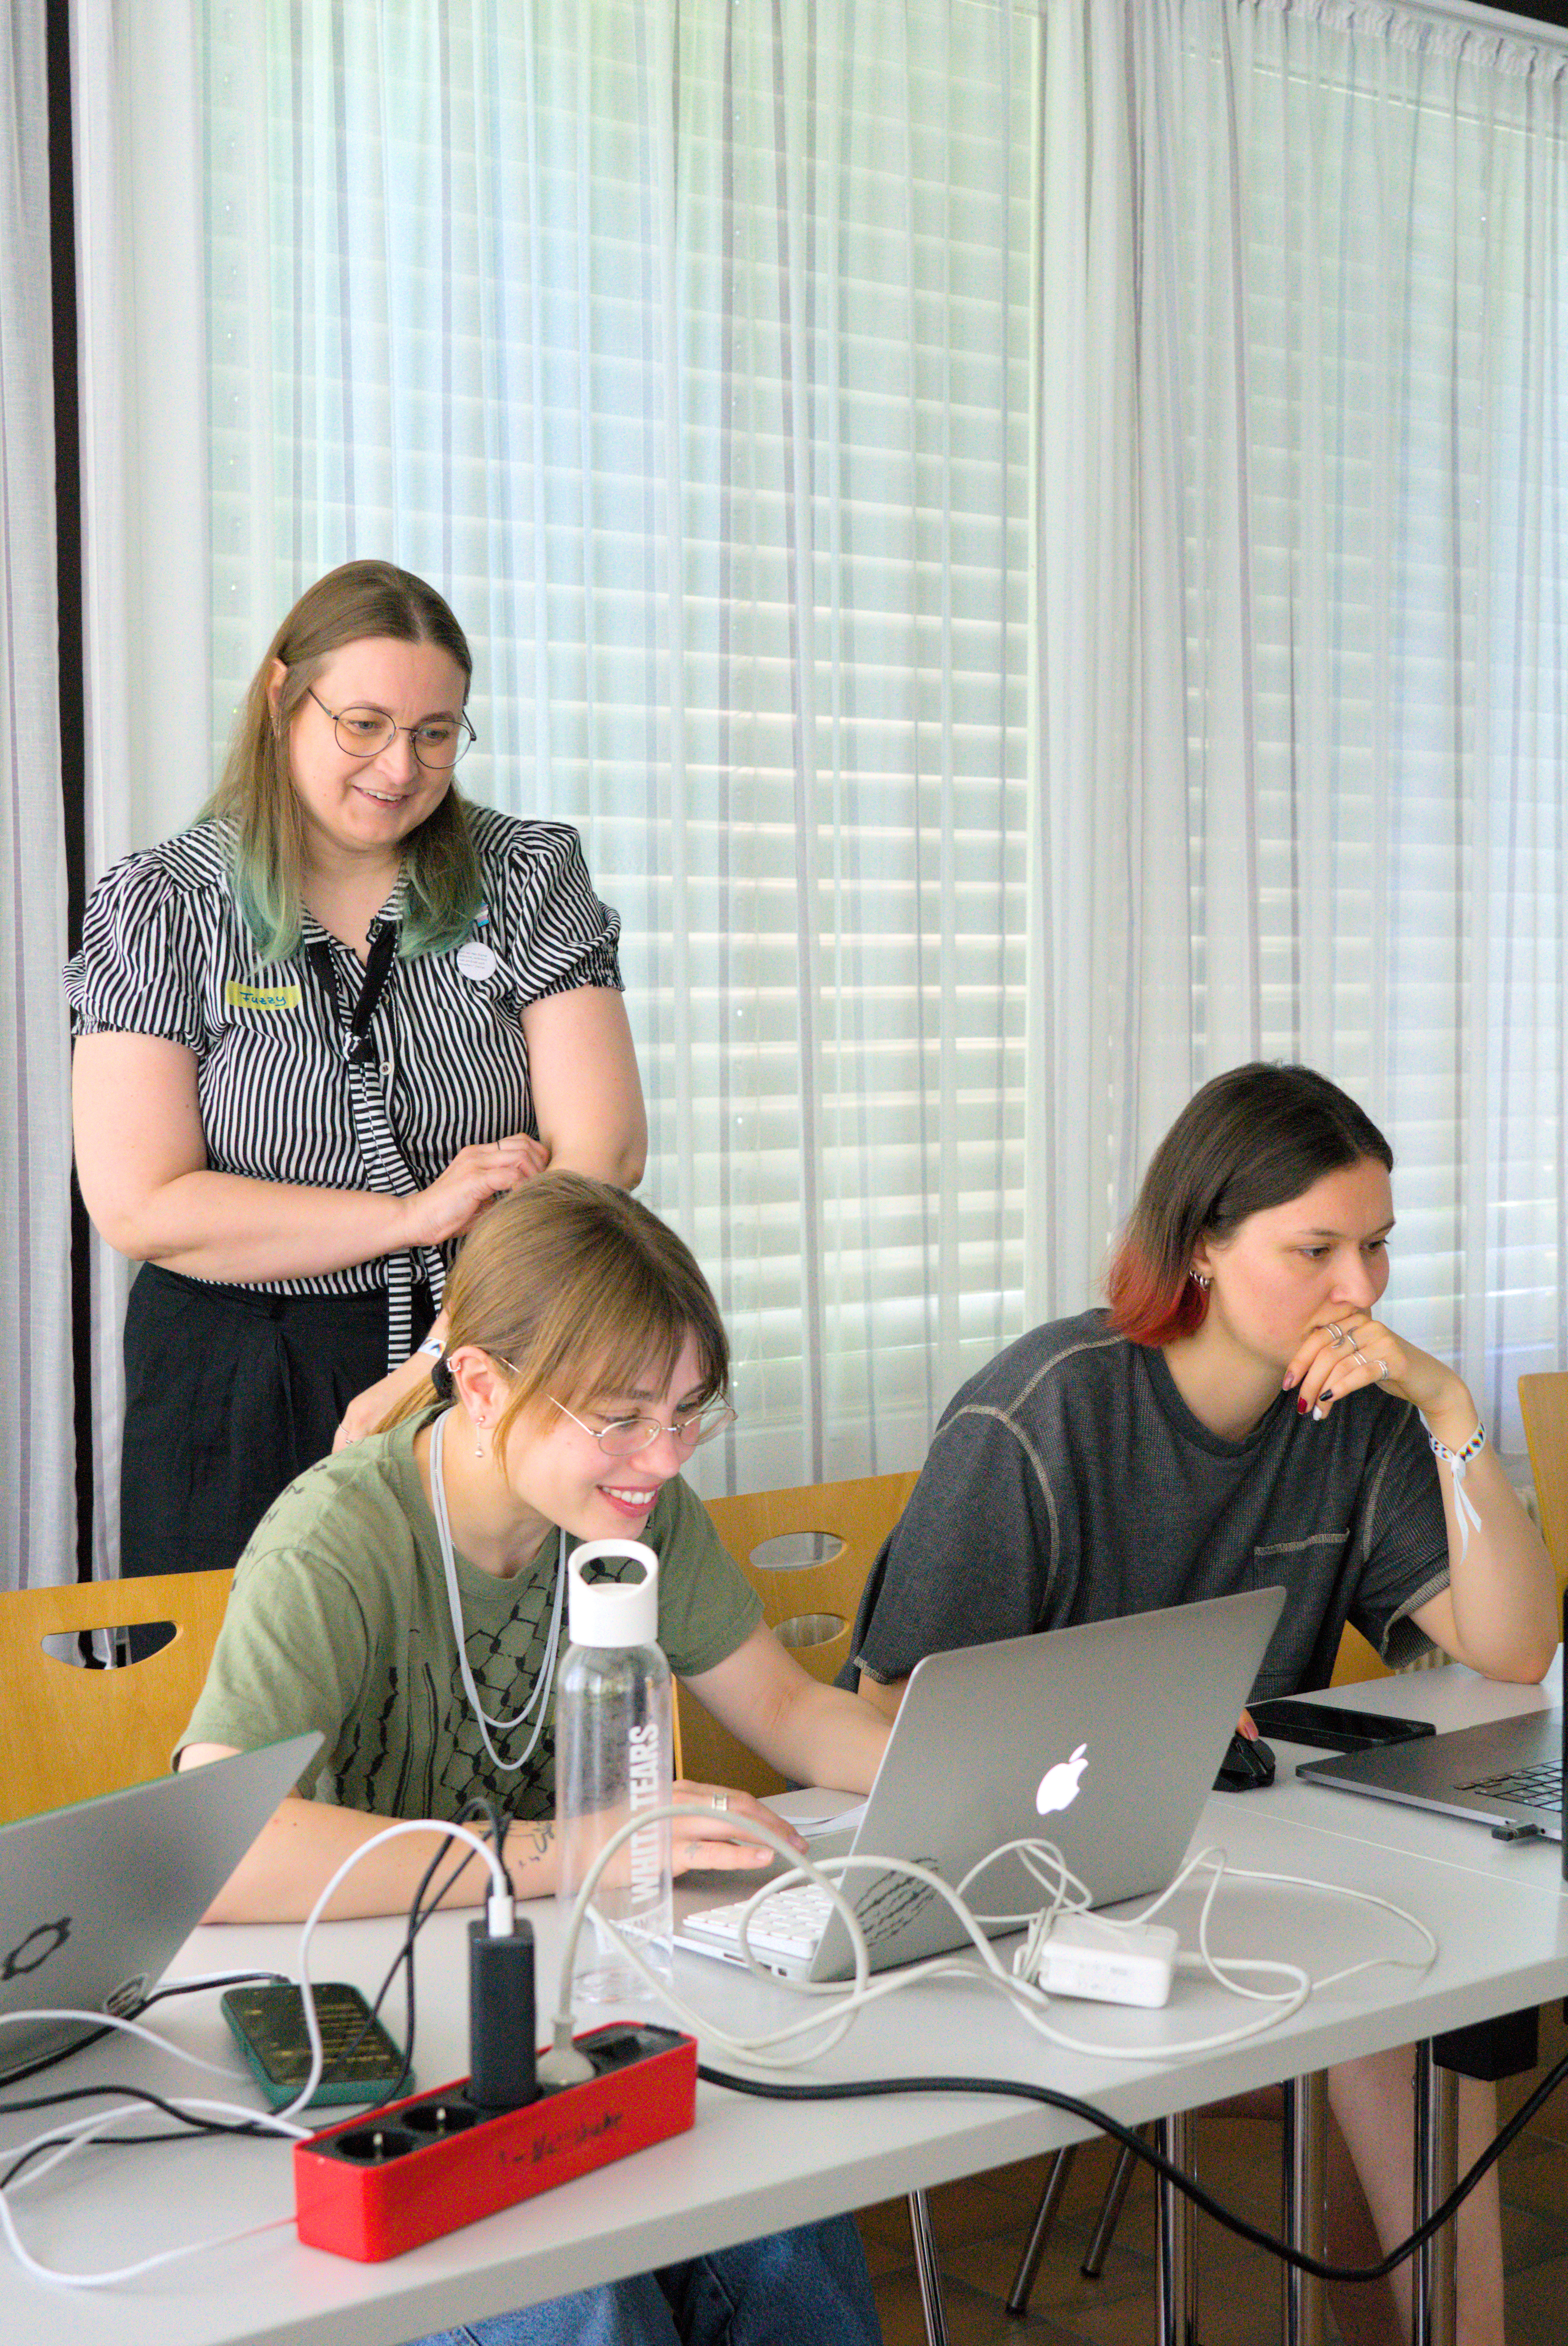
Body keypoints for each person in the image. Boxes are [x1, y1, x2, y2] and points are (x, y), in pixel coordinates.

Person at [847, 1062, 1556, 2346]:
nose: (1363, 1289)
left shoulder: (1357, 1412)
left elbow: (1512, 1652)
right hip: (1038, 1898)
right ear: (1204, 1249)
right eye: (1318, 1249)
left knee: (1415, 2014)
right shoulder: (1040, 1416)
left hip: (1239, 1869)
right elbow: (895, 1715)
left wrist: (1451, 1410)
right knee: (1393, 2032)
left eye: (1378, 1247)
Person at [177, 1172, 890, 2346]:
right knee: (581, 2294)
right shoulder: (336, 1541)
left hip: (554, 2010)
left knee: (782, 2208)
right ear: (482, 1382)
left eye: (689, 1410)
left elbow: (791, 1709)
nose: (662, 1457)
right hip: (376, 2047)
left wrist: (975, 1763)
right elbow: (229, 1844)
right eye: (620, 1416)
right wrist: (577, 1852)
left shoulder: (634, 1511)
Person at [66, 559, 647, 1583]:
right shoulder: (163, 901)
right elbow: (142, 1203)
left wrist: (436, 1356)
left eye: (436, 732)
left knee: (478, 1692)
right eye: (364, 724)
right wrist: (410, 1215)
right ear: (282, 696)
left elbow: (604, 1151)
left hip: (487, 1345)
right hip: (236, 1372)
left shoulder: (526, 874)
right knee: (247, 1716)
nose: (401, 766)